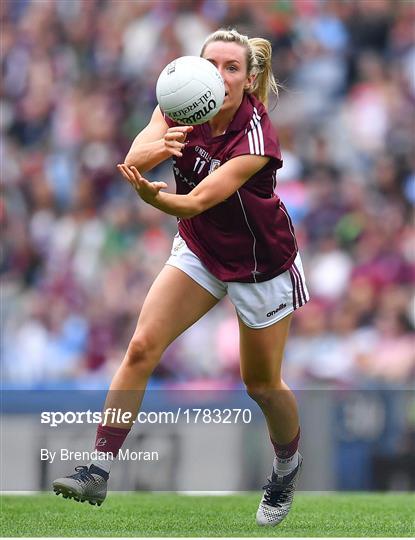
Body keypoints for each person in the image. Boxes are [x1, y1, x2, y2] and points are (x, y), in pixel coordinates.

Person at [52, 28, 309, 527]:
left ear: (250, 80)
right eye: (212, 64)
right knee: (142, 346)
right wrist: (158, 147)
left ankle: (285, 465)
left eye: (232, 68)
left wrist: (154, 198)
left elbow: (193, 200)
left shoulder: (256, 136)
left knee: (260, 385)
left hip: (260, 264)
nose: (219, 75)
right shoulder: (181, 98)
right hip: (199, 248)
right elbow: (133, 159)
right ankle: (98, 467)